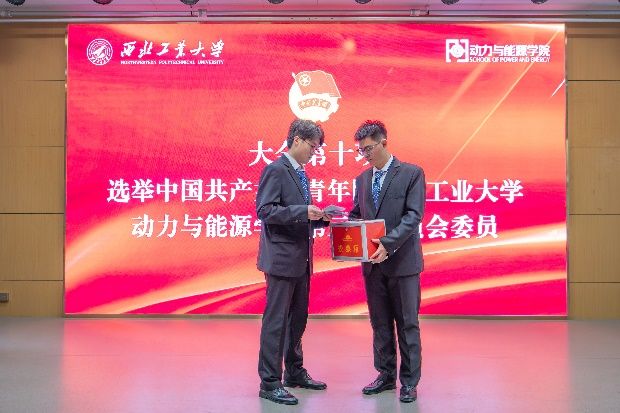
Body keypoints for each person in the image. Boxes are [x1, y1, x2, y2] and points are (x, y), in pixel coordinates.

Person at [349, 120, 426, 403]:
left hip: (402, 263)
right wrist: (344, 224)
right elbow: (357, 214)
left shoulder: (411, 173)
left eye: (369, 149)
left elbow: (413, 216)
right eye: (361, 150)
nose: (365, 155)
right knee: (380, 323)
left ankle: (409, 382)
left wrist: (388, 244)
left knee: (407, 324)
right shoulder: (362, 179)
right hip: (372, 264)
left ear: (384, 143)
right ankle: (385, 374)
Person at [256, 118, 330, 405]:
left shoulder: (301, 174)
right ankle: (269, 382)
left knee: (298, 319)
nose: (315, 152)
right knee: (276, 322)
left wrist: (321, 218)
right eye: (313, 146)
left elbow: (298, 216)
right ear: (297, 139)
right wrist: (303, 211)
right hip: (281, 260)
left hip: (301, 260)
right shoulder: (276, 170)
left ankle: (294, 372)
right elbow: (265, 211)